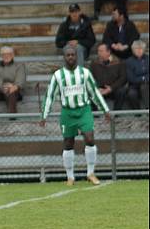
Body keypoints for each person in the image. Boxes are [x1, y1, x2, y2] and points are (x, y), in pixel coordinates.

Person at [41, 45, 110, 186]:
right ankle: (70, 177)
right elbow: (49, 96)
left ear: (77, 57)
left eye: (73, 55)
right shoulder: (58, 76)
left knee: (89, 138)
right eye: (68, 55)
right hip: (68, 112)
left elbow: (94, 92)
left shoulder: (85, 73)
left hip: (84, 110)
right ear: (64, 57)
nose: (71, 57)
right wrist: (44, 115)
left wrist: (105, 110)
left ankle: (90, 173)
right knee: (68, 143)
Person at [90, 43, 127, 110]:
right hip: (100, 88)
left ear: (108, 52)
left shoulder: (119, 62)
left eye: (101, 51)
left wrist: (111, 88)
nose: (99, 53)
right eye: (98, 51)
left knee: (122, 91)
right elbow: (90, 77)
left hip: (113, 88)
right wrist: (96, 87)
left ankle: (117, 112)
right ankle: (96, 114)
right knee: (91, 91)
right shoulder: (94, 63)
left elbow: (123, 78)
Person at [125, 39, 149, 109]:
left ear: (144, 50)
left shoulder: (148, 59)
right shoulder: (128, 61)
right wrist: (144, 78)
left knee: (144, 87)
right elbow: (131, 78)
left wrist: (143, 78)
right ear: (133, 50)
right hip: (134, 85)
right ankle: (137, 112)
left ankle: (148, 108)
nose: (139, 50)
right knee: (131, 94)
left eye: (141, 48)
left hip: (147, 83)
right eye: (136, 49)